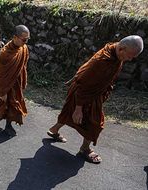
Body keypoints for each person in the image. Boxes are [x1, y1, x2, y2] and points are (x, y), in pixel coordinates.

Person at [47, 35, 144, 164]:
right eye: (130, 55)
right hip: (82, 92)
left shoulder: (115, 53)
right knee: (95, 122)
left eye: (133, 57)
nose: (130, 59)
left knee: (69, 113)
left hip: (94, 92)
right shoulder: (102, 60)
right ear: (122, 48)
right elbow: (83, 82)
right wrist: (79, 108)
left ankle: (54, 130)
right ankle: (85, 149)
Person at [0, 25, 30, 137]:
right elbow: (0, 75)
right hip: (6, 85)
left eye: (27, 39)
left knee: (11, 104)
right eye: (24, 39)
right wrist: (3, 92)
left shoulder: (23, 48)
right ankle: (8, 126)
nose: (25, 42)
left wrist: (24, 80)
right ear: (15, 37)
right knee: (12, 105)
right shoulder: (5, 54)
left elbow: (23, 66)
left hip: (16, 82)